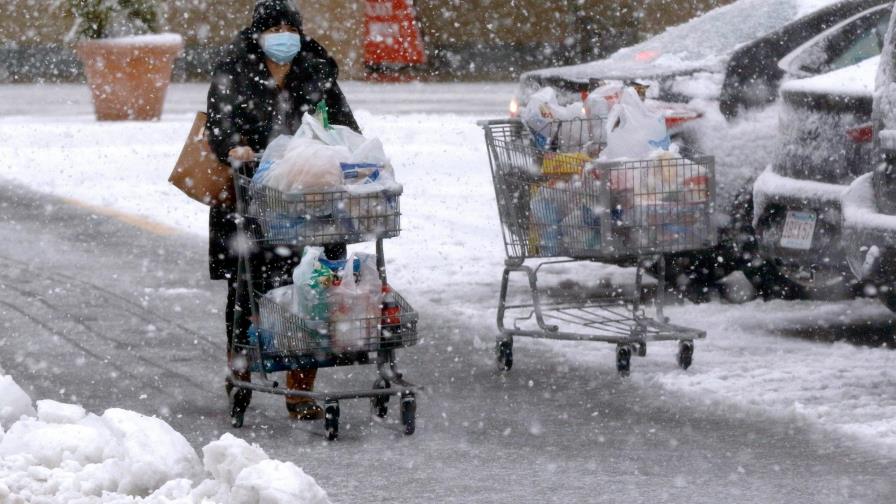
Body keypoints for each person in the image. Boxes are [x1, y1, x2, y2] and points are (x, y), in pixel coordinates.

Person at [206, 0, 359, 421]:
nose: (282, 35)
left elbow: (345, 124)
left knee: (311, 289)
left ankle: (299, 390)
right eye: (272, 27)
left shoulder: (316, 68)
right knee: (247, 289)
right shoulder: (234, 69)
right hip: (252, 196)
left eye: (288, 26)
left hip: (308, 198)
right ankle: (240, 374)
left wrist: (343, 152)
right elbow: (218, 124)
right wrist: (234, 147)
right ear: (257, 34)